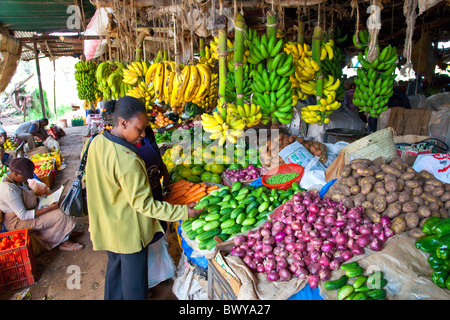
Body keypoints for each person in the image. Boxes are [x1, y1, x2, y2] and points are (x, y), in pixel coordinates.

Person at [84, 96, 203, 300]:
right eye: (139, 129)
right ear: (123, 123)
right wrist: (183, 211)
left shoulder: (97, 141)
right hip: (127, 232)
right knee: (134, 286)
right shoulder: (126, 159)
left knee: (115, 274)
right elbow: (145, 205)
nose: (142, 135)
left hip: (106, 224)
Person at [0, 158, 84, 251]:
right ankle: (63, 242)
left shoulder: (18, 180)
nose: (26, 179)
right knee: (61, 214)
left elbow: (29, 198)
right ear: (15, 174)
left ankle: (65, 233)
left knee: (64, 201)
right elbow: (23, 215)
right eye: (25, 177)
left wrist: (45, 200)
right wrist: (49, 209)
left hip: (30, 209)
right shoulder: (9, 191)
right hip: (18, 221)